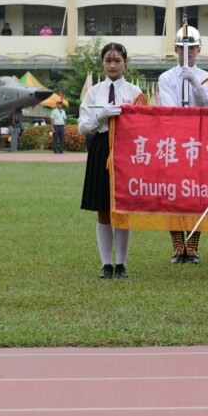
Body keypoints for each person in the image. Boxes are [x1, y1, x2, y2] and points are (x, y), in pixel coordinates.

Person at [78, 42, 144, 279]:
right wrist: (100, 114)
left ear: (126, 63)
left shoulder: (135, 93)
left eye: (117, 60)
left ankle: (122, 264)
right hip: (101, 147)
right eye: (108, 60)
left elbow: (144, 127)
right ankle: (106, 264)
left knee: (123, 208)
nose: (113, 65)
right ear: (102, 63)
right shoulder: (94, 92)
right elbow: (82, 126)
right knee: (103, 209)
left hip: (127, 150)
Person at [156, 26, 208, 264]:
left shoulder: (207, 77)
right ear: (176, 50)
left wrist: (194, 82)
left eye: (191, 48)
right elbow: (170, 109)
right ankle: (177, 245)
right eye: (182, 48)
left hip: (199, 142)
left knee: (197, 196)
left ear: (199, 50)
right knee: (174, 196)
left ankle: (192, 246)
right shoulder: (166, 78)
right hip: (175, 141)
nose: (187, 52)